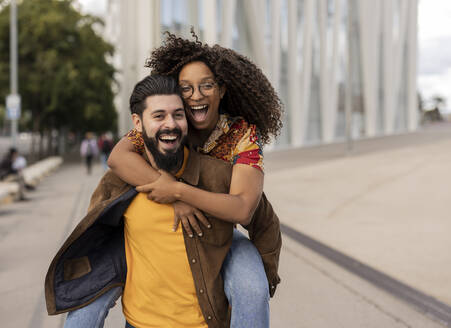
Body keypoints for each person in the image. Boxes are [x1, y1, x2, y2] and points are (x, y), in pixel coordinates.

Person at [45, 75, 280, 328]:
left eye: (178, 115)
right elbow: (96, 231)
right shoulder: (121, 179)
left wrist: (252, 285)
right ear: (137, 123)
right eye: (158, 116)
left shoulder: (218, 175)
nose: (170, 124)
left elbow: (261, 219)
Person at [107, 31, 282, 327]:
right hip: (167, 229)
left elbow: (242, 209)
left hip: (222, 228)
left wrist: (178, 191)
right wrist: (174, 197)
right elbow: (118, 157)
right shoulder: (171, 119)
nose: (196, 96)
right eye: (186, 88)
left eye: (207, 85)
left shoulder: (241, 135)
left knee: (252, 289)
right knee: (86, 305)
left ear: (222, 89)